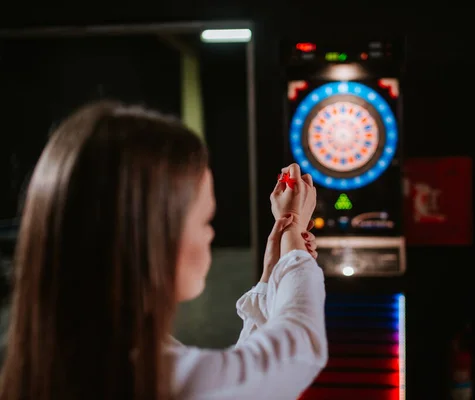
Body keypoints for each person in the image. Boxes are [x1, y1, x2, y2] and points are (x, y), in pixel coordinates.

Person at [0, 101, 327, 400]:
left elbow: (236, 382)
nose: (211, 234)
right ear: (151, 239)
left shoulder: (72, 359)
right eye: (205, 220)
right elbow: (297, 350)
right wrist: (294, 238)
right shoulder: (155, 379)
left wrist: (271, 276)